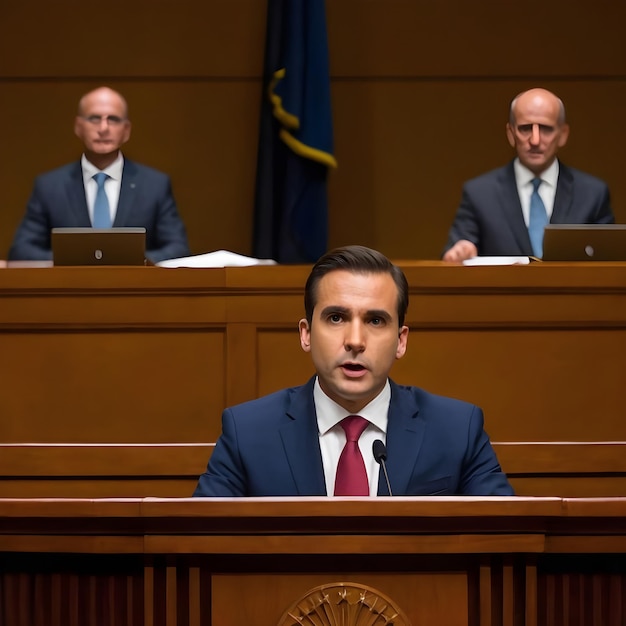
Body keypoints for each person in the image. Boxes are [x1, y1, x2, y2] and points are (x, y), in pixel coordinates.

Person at [194, 245, 514, 497]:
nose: (355, 342)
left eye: (375, 321)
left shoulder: (457, 430)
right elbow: (198, 543)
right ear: (306, 334)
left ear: (401, 341)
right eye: (336, 318)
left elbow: (508, 539)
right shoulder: (247, 433)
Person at [8, 86, 190, 264]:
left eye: (113, 119)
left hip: (133, 290)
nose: (103, 128)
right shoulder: (49, 186)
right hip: (70, 290)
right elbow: (21, 250)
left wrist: (136, 261)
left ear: (126, 130)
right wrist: (70, 261)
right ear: (78, 127)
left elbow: (178, 248)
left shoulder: (154, 185)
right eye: (94, 118)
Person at [443, 88, 615, 262]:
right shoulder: (479, 194)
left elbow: (610, 263)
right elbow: (456, 253)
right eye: (525, 129)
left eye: (546, 129)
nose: (535, 140)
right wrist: (461, 251)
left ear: (563, 135)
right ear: (511, 134)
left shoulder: (593, 194)